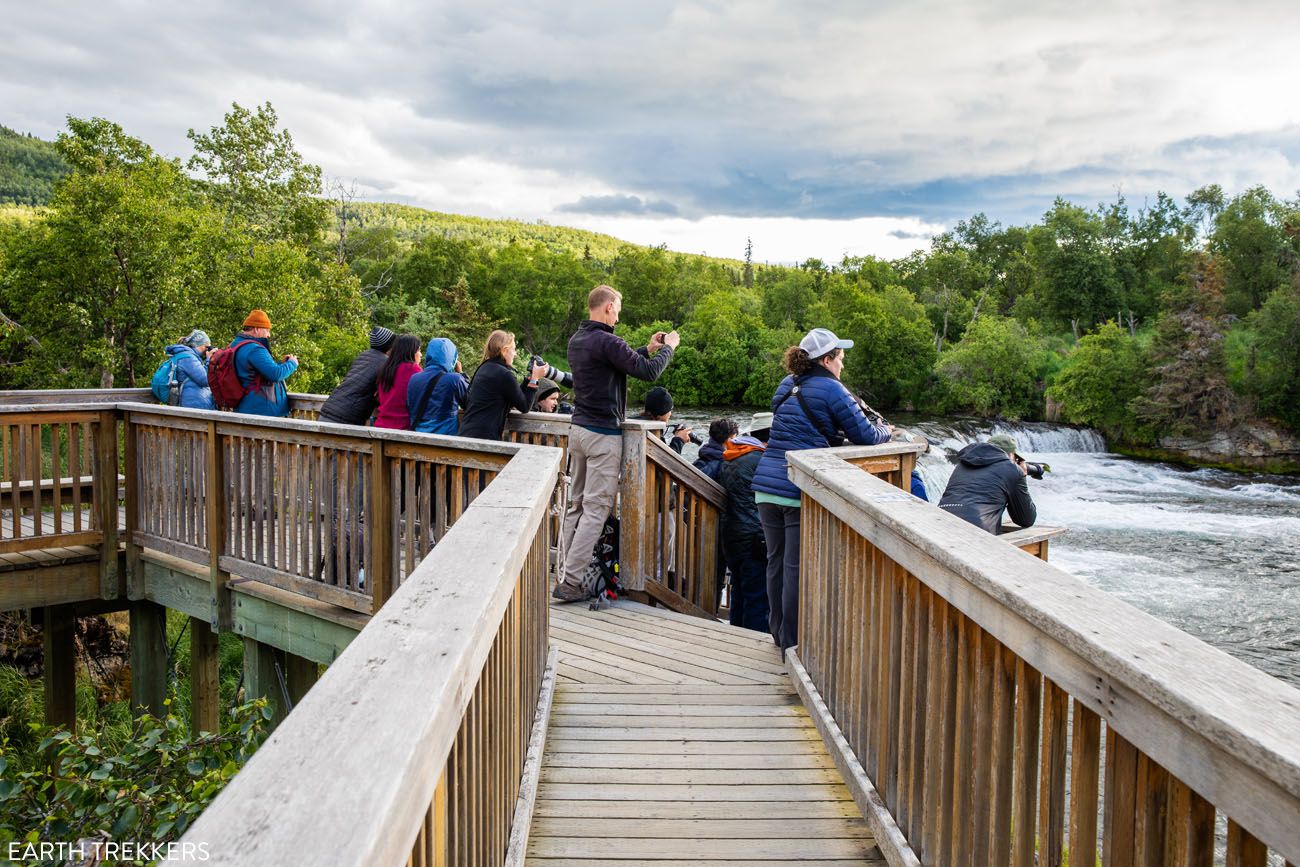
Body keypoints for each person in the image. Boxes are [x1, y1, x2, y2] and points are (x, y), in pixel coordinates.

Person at [752, 327, 892, 651]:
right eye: (840, 359)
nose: (843, 365)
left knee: (775, 562)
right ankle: (793, 643)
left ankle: (778, 635)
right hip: (797, 487)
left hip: (766, 484)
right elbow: (867, 436)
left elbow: (787, 421)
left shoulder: (787, 385)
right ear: (827, 360)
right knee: (794, 567)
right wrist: (886, 430)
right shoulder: (833, 389)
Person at [553, 284, 678, 603]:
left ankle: (563, 571)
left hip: (578, 431)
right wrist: (669, 349)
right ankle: (572, 582)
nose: (619, 315)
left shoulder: (579, 339)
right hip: (602, 436)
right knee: (596, 509)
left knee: (576, 504)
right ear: (608, 306)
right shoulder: (607, 340)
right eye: (618, 308)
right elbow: (648, 373)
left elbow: (623, 362)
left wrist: (647, 348)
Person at [718, 412, 771, 632]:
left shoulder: (733, 455)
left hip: (731, 535)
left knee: (739, 590)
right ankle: (754, 640)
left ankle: (736, 635)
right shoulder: (761, 459)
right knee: (757, 596)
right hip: (753, 537)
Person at [938, 433, 1037, 535]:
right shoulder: (1012, 469)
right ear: (1011, 455)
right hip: (977, 535)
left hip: (939, 524)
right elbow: (1026, 519)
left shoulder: (962, 464)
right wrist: (1022, 475)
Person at [458, 330, 547, 441]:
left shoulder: (483, 368)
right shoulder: (504, 374)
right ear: (505, 351)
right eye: (514, 349)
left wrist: (529, 378)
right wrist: (534, 379)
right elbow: (524, 406)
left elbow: (515, 396)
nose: (515, 354)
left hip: (466, 433)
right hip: (484, 438)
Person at [320, 326, 397, 425]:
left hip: (329, 409)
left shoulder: (363, 356)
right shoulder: (385, 362)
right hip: (346, 418)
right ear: (389, 346)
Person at [229, 309, 298, 417]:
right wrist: (292, 363)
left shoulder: (235, 345)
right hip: (260, 412)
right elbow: (276, 374)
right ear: (256, 329)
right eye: (267, 330)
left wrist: (282, 365)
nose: (269, 335)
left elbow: (257, 374)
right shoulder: (254, 349)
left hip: (245, 408)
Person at [408, 337, 469, 434]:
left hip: (418, 437)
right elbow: (470, 402)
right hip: (445, 440)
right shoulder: (455, 379)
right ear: (451, 357)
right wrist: (461, 373)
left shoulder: (414, 379)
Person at [373, 335, 422, 429]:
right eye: (419, 350)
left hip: (380, 426)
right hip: (402, 428)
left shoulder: (386, 368)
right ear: (410, 351)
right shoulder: (414, 370)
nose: (421, 354)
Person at [163, 329, 215, 410]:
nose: (208, 350)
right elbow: (205, 379)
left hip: (193, 406)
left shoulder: (189, 356)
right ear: (201, 345)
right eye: (207, 346)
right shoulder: (188, 358)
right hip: (194, 407)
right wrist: (209, 359)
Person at [637, 386, 693, 454]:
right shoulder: (653, 432)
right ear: (661, 414)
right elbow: (667, 460)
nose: (670, 414)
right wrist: (679, 440)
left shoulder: (638, 422)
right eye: (669, 410)